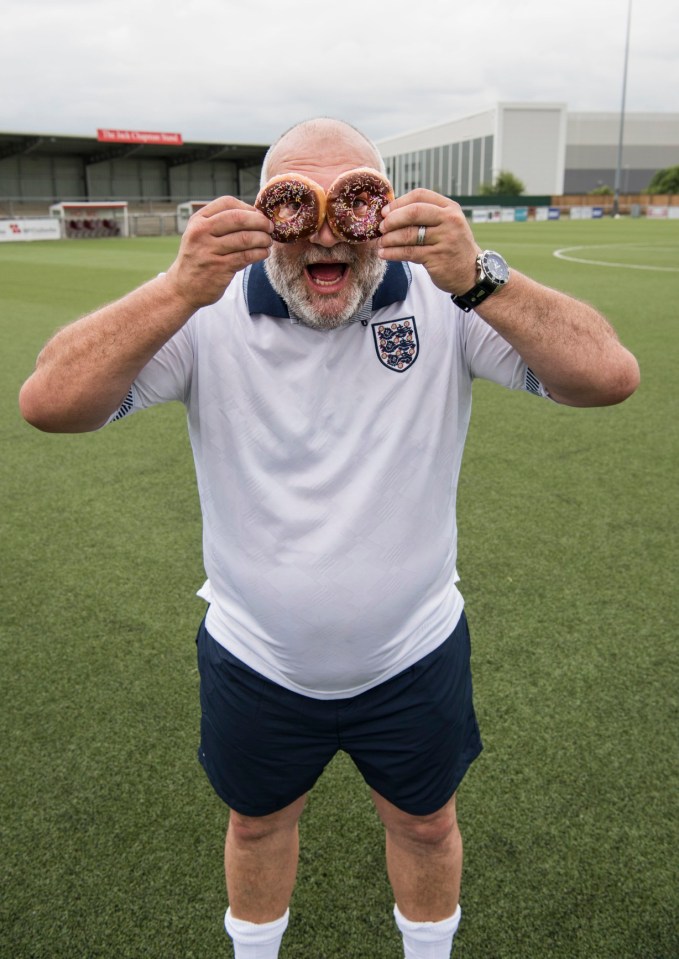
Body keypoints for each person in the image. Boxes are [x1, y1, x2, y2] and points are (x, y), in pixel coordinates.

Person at [19, 117, 640, 959]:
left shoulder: (442, 300)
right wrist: (175, 287)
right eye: (293, 205)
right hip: (255, 651)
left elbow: (607, 378)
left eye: (352, 202)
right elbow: (49, 403)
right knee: (256, 824)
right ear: (260, 213)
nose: (323, 233)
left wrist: (482, 277)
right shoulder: (209, 311)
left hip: (413, 647)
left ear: (382, 211)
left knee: (426, 826)